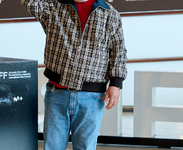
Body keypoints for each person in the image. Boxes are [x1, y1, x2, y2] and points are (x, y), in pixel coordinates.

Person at [20, 0, 127, 149]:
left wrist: (116, 84)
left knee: (85, 147)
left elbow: (118, 51)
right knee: (53, 146)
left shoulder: (110, 14)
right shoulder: (53, 7)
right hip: (57, 94)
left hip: (92, 97)